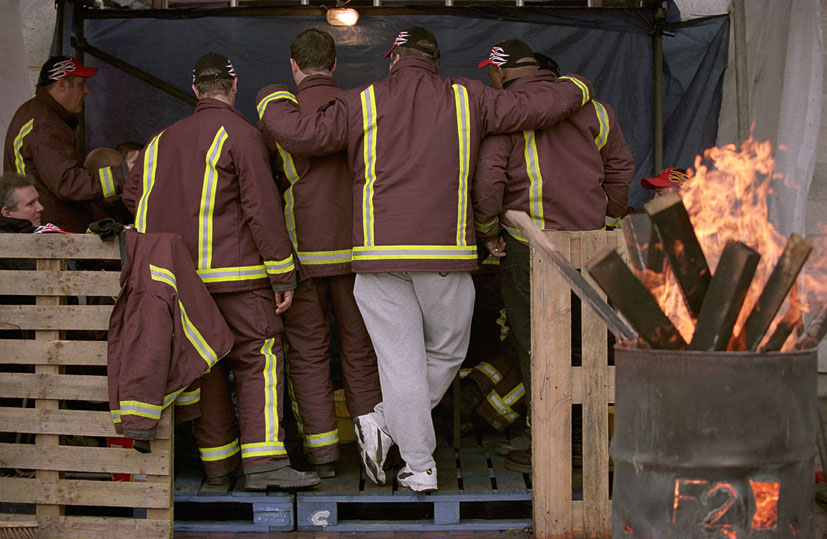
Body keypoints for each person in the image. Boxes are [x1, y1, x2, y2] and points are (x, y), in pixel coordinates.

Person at [258, 26, 593, 492]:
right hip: (444, 253)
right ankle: (393, 437)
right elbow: (531, 108)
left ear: (393, 56)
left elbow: (299, 133)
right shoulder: (468, 97)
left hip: (376, 257)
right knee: (447, 353)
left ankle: (415, 462)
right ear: (436, 60)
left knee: (400, 364)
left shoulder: (363, 99)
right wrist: (576, 85)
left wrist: (269, 96)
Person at [122, 52, 319, 490]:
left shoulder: (158, 142)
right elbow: (263, 210)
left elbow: (132, 196)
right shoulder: (242, 134)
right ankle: (265, 464)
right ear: (233, 87)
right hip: (238, 279)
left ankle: (217, 466)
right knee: (258, 359)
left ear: (195, 90)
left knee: (205, 367)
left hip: (178, 283)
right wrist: (283, 274)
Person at [472, 40, 634, 473]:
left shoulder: (508, 112)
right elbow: (620, 168)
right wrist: (607, 220)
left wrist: (487, 230)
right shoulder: (596, 110)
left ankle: (549, 446)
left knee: (538, 346)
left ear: (503, 71)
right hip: (591, 247)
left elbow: (489, 177)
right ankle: (587, 445)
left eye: (492, 70)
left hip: (530, 248)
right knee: (588, 347)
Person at [261, 29, 382, 479]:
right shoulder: (359, 109)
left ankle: (323, 457)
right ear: (334, 64)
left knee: (309, 354)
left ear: (293, 66)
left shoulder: (277, 119)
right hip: (359, 256)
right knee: (361, 351)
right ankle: (375, 456)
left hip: (301, 258)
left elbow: (264, 190)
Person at [3, 56, 130, 233]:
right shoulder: (45, 125)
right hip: (48, 238)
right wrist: (124, 173)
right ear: (62, 86)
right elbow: (69, 184)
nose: (86, 91)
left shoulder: (38, 114)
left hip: (46, 234)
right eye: (81, 84)